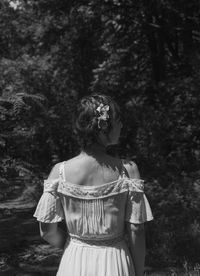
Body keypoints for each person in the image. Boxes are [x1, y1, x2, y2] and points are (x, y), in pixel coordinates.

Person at [33, 94, 154, 276]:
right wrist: (138, 272)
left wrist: (74, 245)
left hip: (73, 262)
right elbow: (137, 229)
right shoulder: (128, 170)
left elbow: (47, 231)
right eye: (118, 120)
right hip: (116, 261)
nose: (121, 125)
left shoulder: (59, 172)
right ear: (103, 127)